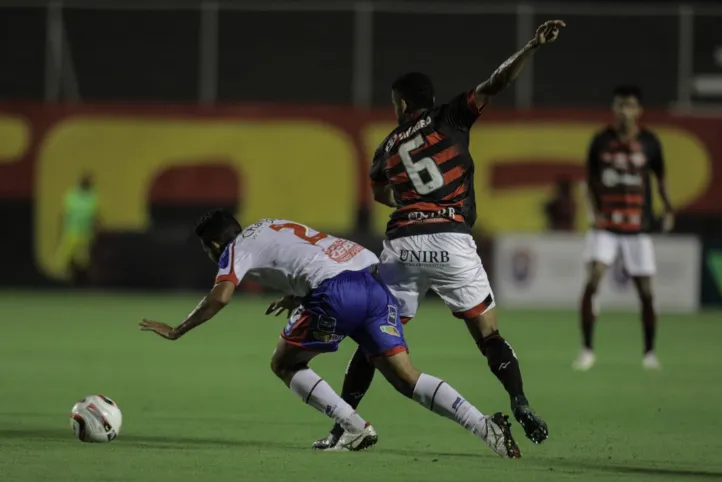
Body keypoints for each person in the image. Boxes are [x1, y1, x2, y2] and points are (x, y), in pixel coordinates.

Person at [313, 20, 565, 450]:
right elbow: (496, 82)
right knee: (488, 336)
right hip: (452, 241)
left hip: (405, 245)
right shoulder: (452, 116)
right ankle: (519, 400)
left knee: (375, 336)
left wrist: (410, 205)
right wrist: (531, 46)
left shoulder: (388, 146)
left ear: (402, 103)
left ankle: (343, 426)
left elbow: (378, 192)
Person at [139, 210, 521, 458]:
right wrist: (297, 294)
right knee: (406, 377)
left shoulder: (233, 249)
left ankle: (354, 428)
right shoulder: (270, 224)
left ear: (215, 244)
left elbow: (221, 296)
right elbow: (310, 254)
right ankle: (486, 427)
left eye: (210, 251)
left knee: (283, 363)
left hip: (337, 291)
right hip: (372, 280)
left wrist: (178, 329)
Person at [573, 86, 674, 372]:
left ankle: (650, 351)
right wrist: (593, 212)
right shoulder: (601, 140)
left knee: (646, 292)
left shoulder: (650, 142)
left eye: (628, 105)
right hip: (604, 226)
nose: (622, 111)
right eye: (618, 105)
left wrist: (668, 208)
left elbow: (660, 180)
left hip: (637, 227)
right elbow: (589, 182)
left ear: (639, 110)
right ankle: (587, 349)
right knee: (593, 280)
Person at [55, 173, 100, 285]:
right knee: (65, 255)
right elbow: (64, 214)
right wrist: (61, 230)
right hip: (72, 231)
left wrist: (95, 231)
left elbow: (95, 216)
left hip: (85, 233)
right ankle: (59, 280)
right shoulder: (71, 195)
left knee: (84, 259)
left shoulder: (93, 196)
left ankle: (82, 281)